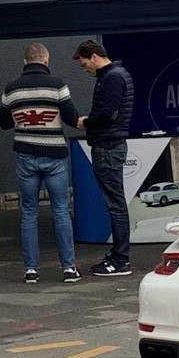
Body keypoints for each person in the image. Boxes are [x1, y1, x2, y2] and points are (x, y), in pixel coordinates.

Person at [0, 43, 81, 284]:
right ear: (46, 60)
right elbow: (71, 118)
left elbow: (4, 123)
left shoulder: (11, 89)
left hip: (25, 154)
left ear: (25, 62)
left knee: (29, 213)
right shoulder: (58, 85)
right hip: (54, 154)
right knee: (60, 211)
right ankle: (68, 268)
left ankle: (31, 271)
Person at [74, 39, 134, 277]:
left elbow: (109, 112)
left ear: (94, 57)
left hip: (108, 146)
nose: (84, 69)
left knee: (115, 205)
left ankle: (120, 260)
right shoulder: (117, 75)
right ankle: (119, 256)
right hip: (111, 144)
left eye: (84, 64)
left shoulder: (112, 77)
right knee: (116, 204)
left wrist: (86, 121)